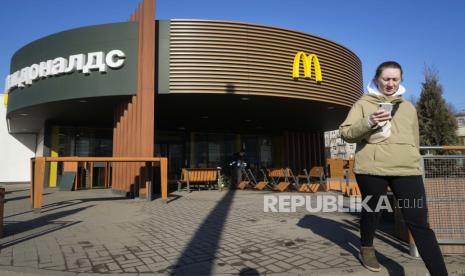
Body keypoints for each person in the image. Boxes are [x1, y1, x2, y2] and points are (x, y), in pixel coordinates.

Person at [339, 61, 447, 275]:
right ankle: (367, 248)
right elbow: (346, 133)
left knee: (419, 223)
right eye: (386, 79)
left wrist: (414, 160)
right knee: (373, 212)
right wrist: (368, 121)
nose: (390, 83)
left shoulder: (408, 108)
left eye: (395, 79)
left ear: (401, 80)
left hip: (406, 170)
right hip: (372, 169)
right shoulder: (363, 103)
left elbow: (414, 139)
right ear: (377, 79)